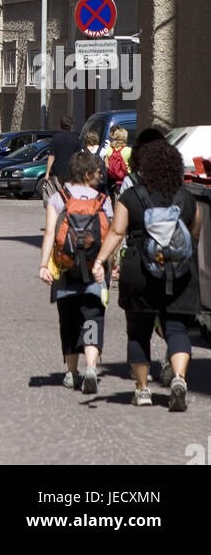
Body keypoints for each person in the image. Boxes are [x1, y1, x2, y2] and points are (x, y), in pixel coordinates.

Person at [92, 137, 202, 409]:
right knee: (177, 329)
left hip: (139, 271)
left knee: (138, 332)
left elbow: (117, 232)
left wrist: (100, 260)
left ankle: (142, 390)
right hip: (178, 273)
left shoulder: (131, 197)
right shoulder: (187, 198)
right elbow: (194, 235)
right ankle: (178, 378)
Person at [38, 151, 114, 393]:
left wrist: (42, 265)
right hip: (95, 267)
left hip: (64, 266)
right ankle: (91, 367)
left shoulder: (59, 198)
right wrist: (108, 265)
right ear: (89, 173)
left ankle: (71, 373)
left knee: (68, 319)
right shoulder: (104, 200)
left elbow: (50, 233)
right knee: (93, 315)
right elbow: (111, 236)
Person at [43, 114, 79, 202]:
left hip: (58, 171)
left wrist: (47, 173)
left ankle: (59, 210)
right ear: (71, 125)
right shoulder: (76, 138)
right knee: (70, 194)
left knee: (59, 194)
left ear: (61, 125)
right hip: (71, 171)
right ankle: (68, 210)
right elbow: (78, 156)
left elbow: (51, 156)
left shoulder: (55, 139)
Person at [106, 126, 133, 197]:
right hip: (126, 181)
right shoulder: (129, 150)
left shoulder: (108, 150)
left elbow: (106, 166)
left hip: (112, 182)